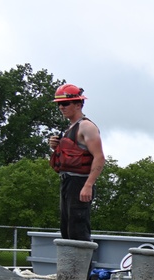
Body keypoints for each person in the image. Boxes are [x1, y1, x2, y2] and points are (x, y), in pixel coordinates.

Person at [48, 84, 104, 242]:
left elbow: (99, 157)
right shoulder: (69, 129)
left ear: (78, 104)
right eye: (59, 104)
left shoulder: (86, 127)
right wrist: (56, 147)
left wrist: (88, 185)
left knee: (77, 229)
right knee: (66, 229)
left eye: (65, 103)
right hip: (67, 181)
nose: (61, 107)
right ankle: (70, 266)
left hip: (79, 181)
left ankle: (82, 267)